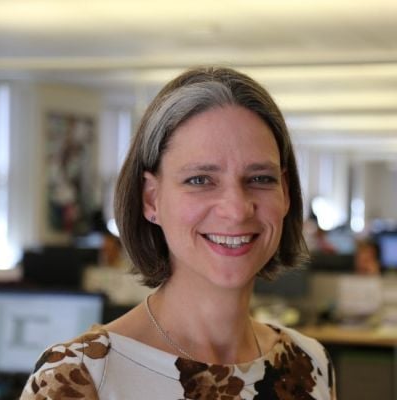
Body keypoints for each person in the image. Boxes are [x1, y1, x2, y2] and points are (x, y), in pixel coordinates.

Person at [21, 66, 336, 399]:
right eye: (200, 180)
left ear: (285, 193)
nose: (237, 208)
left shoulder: (308, 363)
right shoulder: (79, 375)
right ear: (151, 198)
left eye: (260, 178)